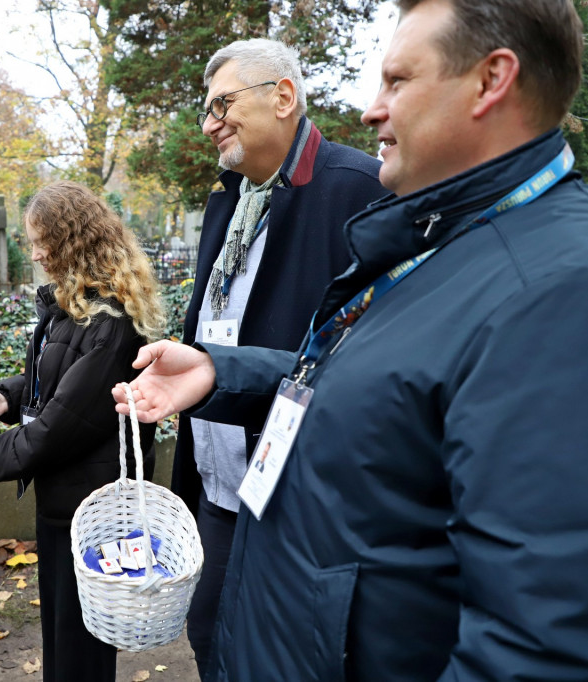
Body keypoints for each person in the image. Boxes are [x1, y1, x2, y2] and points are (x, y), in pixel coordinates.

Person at [114, 0, 588, 679]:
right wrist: (221, 371)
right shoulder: (443, 238)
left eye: (398, 80)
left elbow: (545, 641)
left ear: (491, 80)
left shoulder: (567, 289)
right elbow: (378, 388)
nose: (372, 110)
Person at [174, 38, 385, 677]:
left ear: (284, 97)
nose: (209, 124)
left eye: (222, 105)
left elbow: (363, 353)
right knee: (209, 631)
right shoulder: (230, 201)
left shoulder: (358, 191)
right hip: (218, 486)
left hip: (296, 500)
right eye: (207, 110)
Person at [0, 181, 166, 682]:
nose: (32, 252)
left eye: (39, 241)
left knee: (81, 649)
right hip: (65, 503)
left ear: (70, 240)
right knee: (63, 633)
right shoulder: (75, 307)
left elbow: (60, 425)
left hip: (91, 513)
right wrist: (6, 396)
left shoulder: (109, 321)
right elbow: (54, 380)